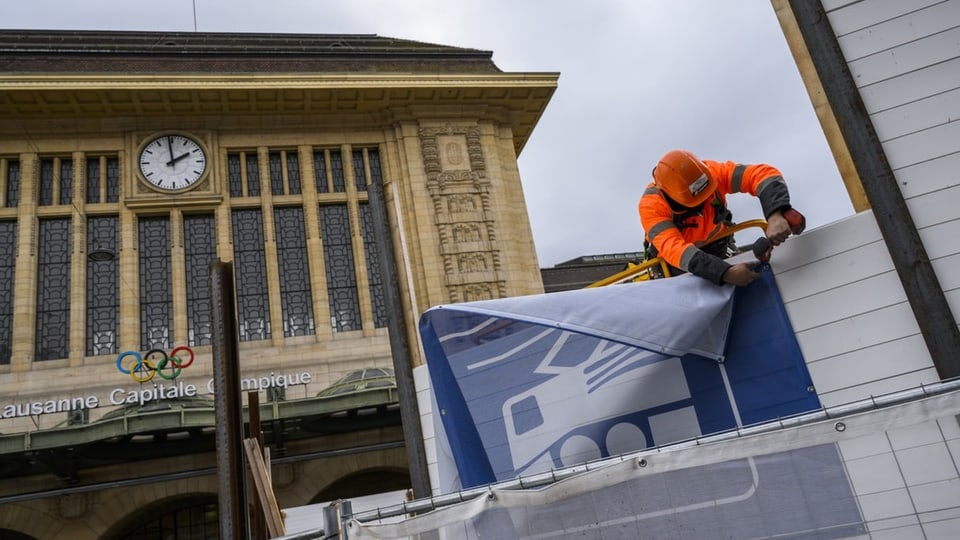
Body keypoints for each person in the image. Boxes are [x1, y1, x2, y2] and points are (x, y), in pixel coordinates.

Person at [639, 149, 796, 286]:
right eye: (695, 203)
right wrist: (724, 273)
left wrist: (776, 214)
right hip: (676, 268)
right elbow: (675, 250)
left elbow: (763, 174)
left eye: (705, 197)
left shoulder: (712, 174)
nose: (703, 204)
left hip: (720, 247)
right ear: (670, 195)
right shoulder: (652, 206)